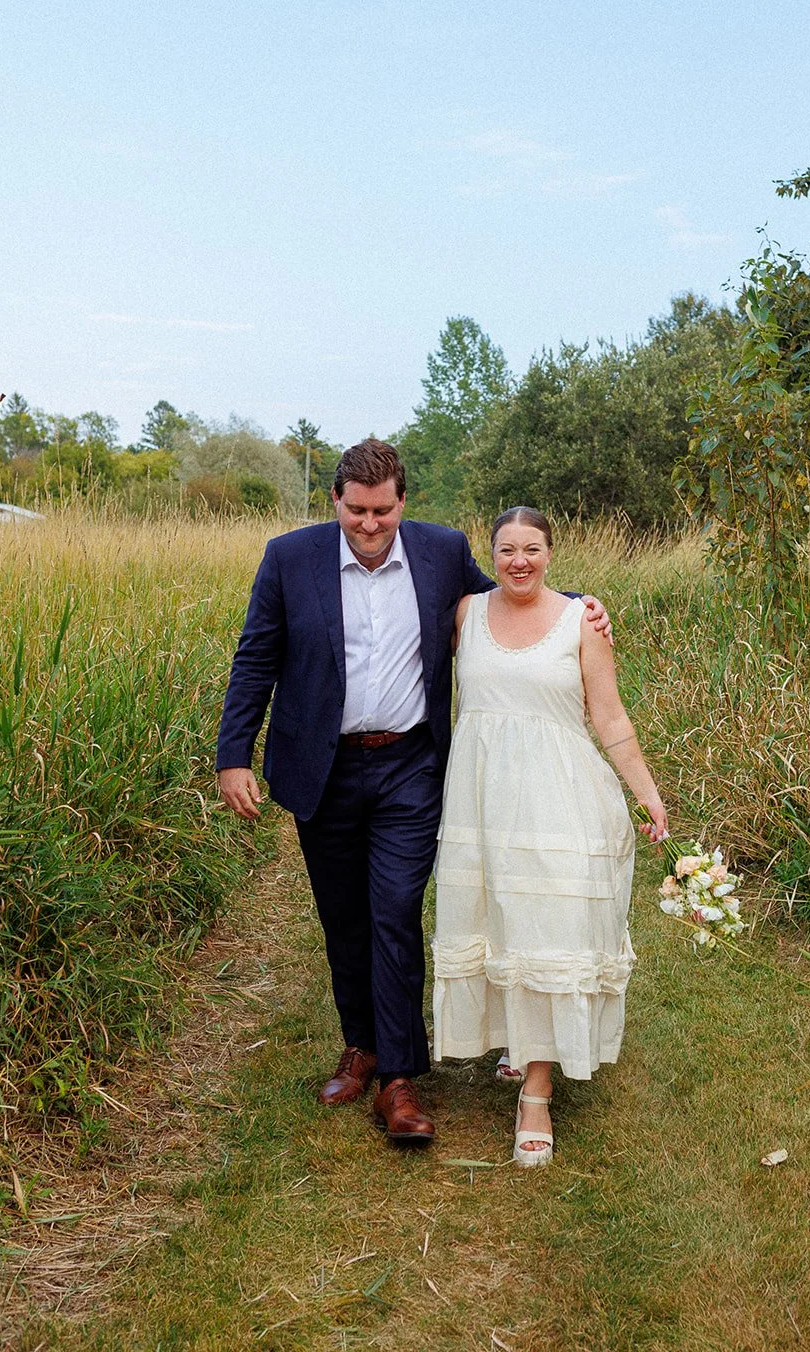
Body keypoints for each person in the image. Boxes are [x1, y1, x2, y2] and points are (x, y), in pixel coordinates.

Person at [216, 440, 611, 1147]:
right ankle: (360, 1046)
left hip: (408, 766)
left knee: (394, 909)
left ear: (403, 502)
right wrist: (232, 756)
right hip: (322, 768)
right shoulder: (289, 558)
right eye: (356, 510)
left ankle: (399, 1079)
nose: (370, 524)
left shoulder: (438, 552)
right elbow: (256, 658)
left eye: (383, 510)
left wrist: (581, 605)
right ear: (334, 500)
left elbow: (513, 593)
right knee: (343, 917)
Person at [432, 505, 667, 1167]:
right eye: (506, 549)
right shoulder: (465, 615)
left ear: (550, 552)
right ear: (491, 553)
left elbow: (609, 715)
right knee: (499, 921)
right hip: (482, 797)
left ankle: (535, 1091)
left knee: (547, 927)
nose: (518, 562)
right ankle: (516, 1042)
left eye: (531, 549)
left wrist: (645, 791)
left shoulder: (580, 622)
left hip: (560, 796)